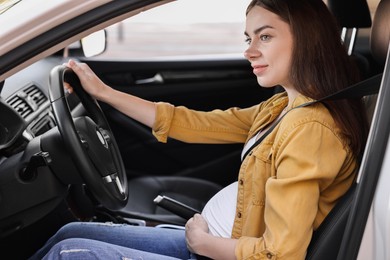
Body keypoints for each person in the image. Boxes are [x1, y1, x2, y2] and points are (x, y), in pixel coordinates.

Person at [30, 0, 369, 259]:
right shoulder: (282, 107)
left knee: (72, 252)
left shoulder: (310, 127)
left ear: (307, 39)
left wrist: (203, 242)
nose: (249, 51)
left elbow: (279, 254)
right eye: (249, 37)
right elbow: (195, 124)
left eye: (265, 36)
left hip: (217, 250)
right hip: (216, 242)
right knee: (69, 232)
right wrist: (105, 94)